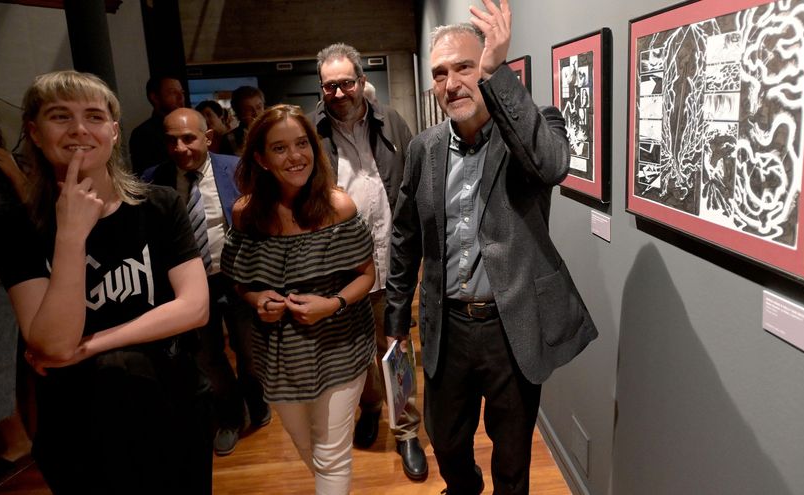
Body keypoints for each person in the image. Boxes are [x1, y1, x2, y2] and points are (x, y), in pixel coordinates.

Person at [384, 2, 599, 494]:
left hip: (511, 326)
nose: (451, 83)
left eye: (464, 67)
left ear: (486, 67)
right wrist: (396, 321)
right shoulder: (424, 148)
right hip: (447, 327)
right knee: (447, 443)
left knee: (512, 458)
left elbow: (551, 166)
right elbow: (405, 237)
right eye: (440, 73)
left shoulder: (534, 127)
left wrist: (498, 74)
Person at [0, 70, 213, 495]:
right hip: (77, 422)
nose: (79, 129)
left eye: (93, 116)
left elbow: (194, 307)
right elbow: (54, 345)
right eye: (60, 116)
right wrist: (71, 236)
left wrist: (91, 345)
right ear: (34, 132)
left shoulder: (159, 205)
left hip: (172, 400)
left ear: (113, 130)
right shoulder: (16, 231)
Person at [221, 104, 375, 494]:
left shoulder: (338, 207)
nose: (295, 156)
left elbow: (367, 275)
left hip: (340, 344)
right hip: (279, 355)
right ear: (260, 158)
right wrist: (257, 299)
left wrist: (332, 304)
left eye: (302, 143)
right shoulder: (246, 214)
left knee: (331, 454)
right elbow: (238, 280)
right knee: (306, 445)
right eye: (280, 148)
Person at [312, 42, 427, 481]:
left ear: (361, 82)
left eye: (346, 83)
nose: (338, 93)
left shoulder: (392, 122)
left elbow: (414, 183)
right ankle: (371, 407)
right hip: (339, 271)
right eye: (329, 86)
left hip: (390, 263)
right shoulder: (311, 132)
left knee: (395, 349)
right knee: (356, 353)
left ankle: (406, 430)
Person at [142, 108, 270, 456]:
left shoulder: (238, 169)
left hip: (238, 279)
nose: (180, 148)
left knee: (250, 352)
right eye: (171, 141)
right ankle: (230, 416)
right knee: (207, 357)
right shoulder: (153, 180)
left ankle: (257, 400)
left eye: (188, 139)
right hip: (189, 288)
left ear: (208, 137)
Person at [0, 97, 33, 493]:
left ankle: (20, 441)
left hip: (15, 272)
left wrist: (15, 174)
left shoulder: (12, 166)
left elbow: (42, 215)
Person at [129, 75, 185, 175]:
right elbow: (145, 176)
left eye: (182, 92)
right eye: (173, 92)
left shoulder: (189, 126)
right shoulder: (143, 134)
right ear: (155, 97)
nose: (180, 97)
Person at [219, 85, 265, 156]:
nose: (256, 113)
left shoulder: (274, 131)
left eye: (259, 107)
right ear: (238, 112)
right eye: (248, 110)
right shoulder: (230, 139)